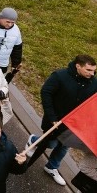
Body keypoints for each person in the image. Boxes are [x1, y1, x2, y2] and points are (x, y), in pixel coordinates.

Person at [26, 54, 97, 185]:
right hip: (55, 121)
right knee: (51, 143)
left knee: (64, 146)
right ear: (78, 66)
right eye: (88, 70)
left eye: (94, 71)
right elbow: (46, 93)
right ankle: (34, 141)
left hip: (74, 125)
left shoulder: (94, 83)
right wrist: (52, 117)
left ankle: (52, 167)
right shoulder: (60, 76)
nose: (92, 74)